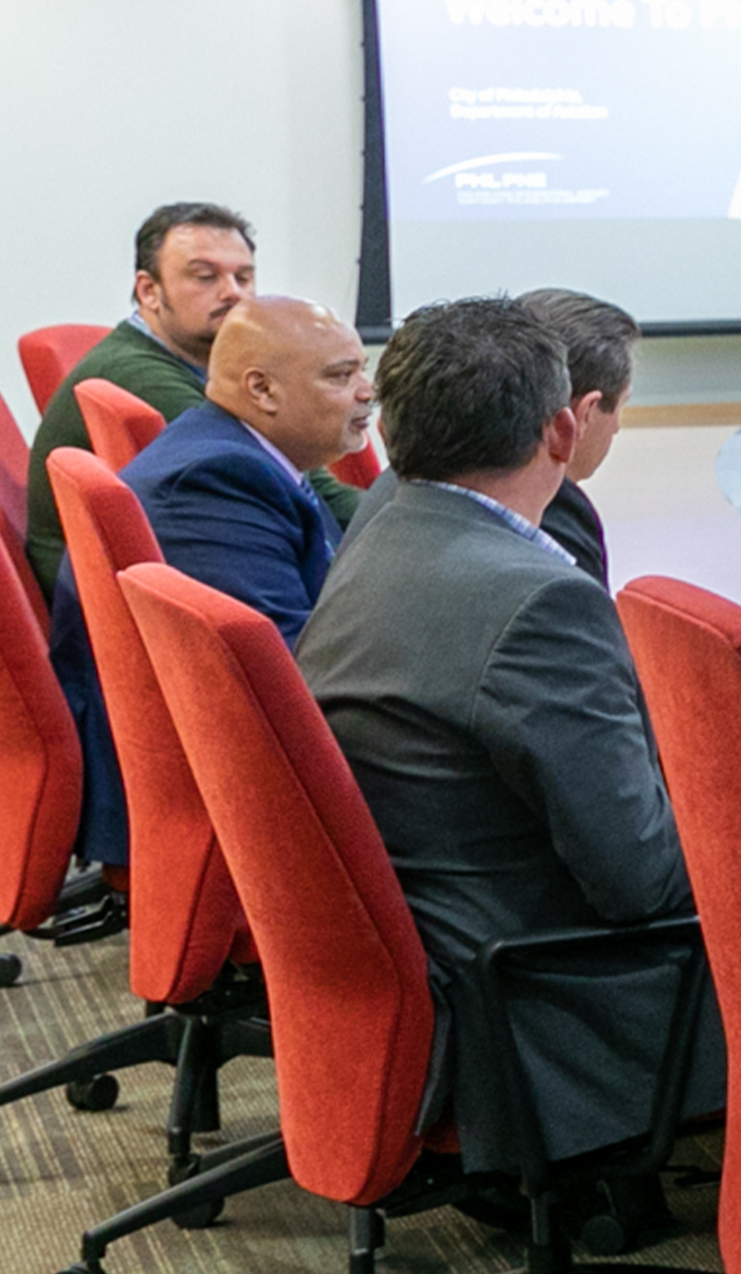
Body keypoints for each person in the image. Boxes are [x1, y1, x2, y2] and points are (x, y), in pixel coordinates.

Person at [299, 296, 712, 1167]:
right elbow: (641, 885)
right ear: (562, 430)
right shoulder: (540, 601)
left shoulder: (386, 523)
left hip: (439, 931)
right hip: (540, 998)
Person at [46, 294, 376, 866]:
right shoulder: (216, 479)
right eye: (341, 376)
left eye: (362, 371)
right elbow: (282, 678)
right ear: (262, 391)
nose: (367, 392)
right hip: (216, 783)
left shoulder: (242, 453)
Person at [26, 202, 359, 596]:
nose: (233, 293)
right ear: (149, 291)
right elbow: (304, 485)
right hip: (103, 608)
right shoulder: (137, 374)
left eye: (244, 277)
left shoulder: (193, 363)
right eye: (205, 277)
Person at [515, 288, 638, 585]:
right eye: (621, 406)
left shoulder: (408, 481)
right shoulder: (558, 519)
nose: (617, 428)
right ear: (584, 414)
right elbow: (583, 628)